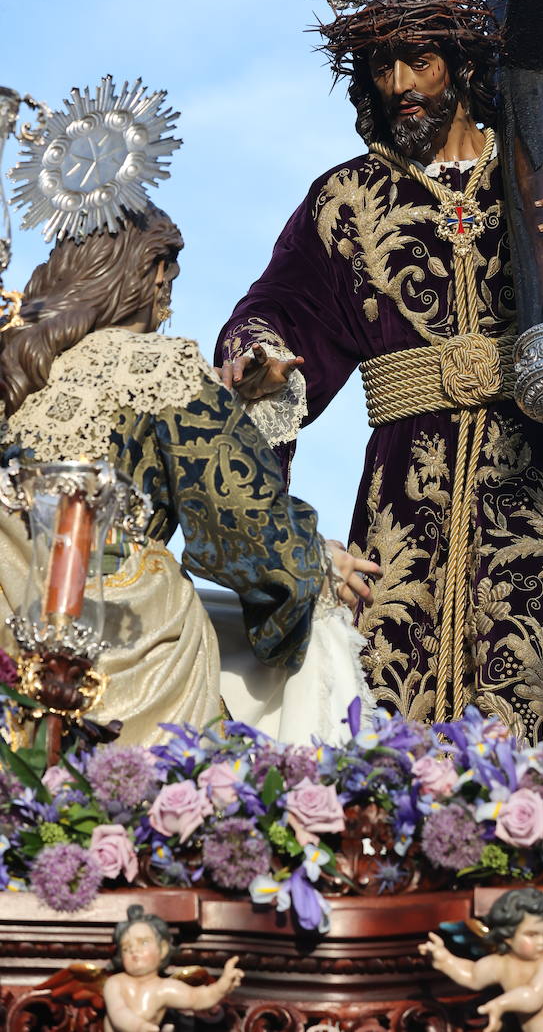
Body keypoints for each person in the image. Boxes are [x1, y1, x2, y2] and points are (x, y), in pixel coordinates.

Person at [217, 0, 543, 740]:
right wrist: (259, 354)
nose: (401, 85)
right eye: (383, 68)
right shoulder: (346, 199)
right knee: (385, 692)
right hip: (407, 496)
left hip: (539, 483)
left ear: (462, 65)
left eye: (419, 61)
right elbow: (283, 306)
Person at [0, 199, 376, 743]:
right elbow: (239, 521)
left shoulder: (17, 367)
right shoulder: (159, 368)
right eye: (167, 277)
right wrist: (311, 562)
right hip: (125, 650)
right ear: (147, 274)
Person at [420, 888, 543, 1032]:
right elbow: (472, 975)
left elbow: (534, 996)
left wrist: (500, 1004)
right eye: (532, 934)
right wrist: (445, 960)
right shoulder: (500, 964)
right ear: (508, 937)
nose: (541, 942)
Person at [103, 904, 242, 1032]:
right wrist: (141, 1027)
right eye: (126, 948)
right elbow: (118, 1012)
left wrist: (221, 986)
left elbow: (196, 997)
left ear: (162, 949)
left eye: (143, 942)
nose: (134, 950)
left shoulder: (164, 988)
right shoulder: (115, 983)